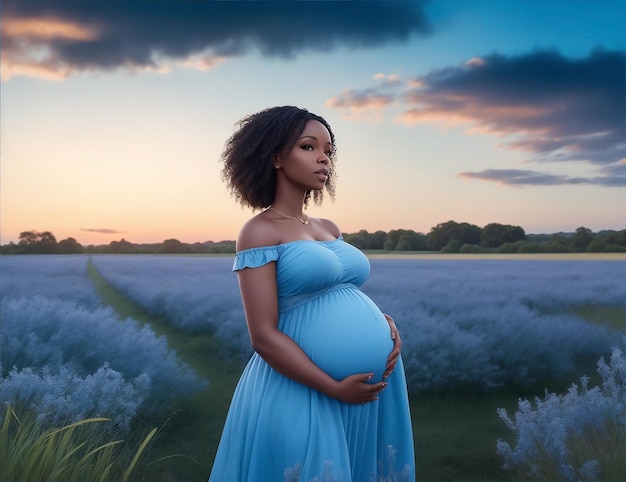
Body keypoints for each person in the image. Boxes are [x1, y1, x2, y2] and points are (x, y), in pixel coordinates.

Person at [208, 106, 414, 481]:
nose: (323, 158)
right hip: (305, 388)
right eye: (308, 146)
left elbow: (341, 290)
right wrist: (334, 387)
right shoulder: (258, 231)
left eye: (329, 150)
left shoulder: (328, 226)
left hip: (367, 389)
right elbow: (263, 336)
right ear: (274, 158)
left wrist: (384, 324)